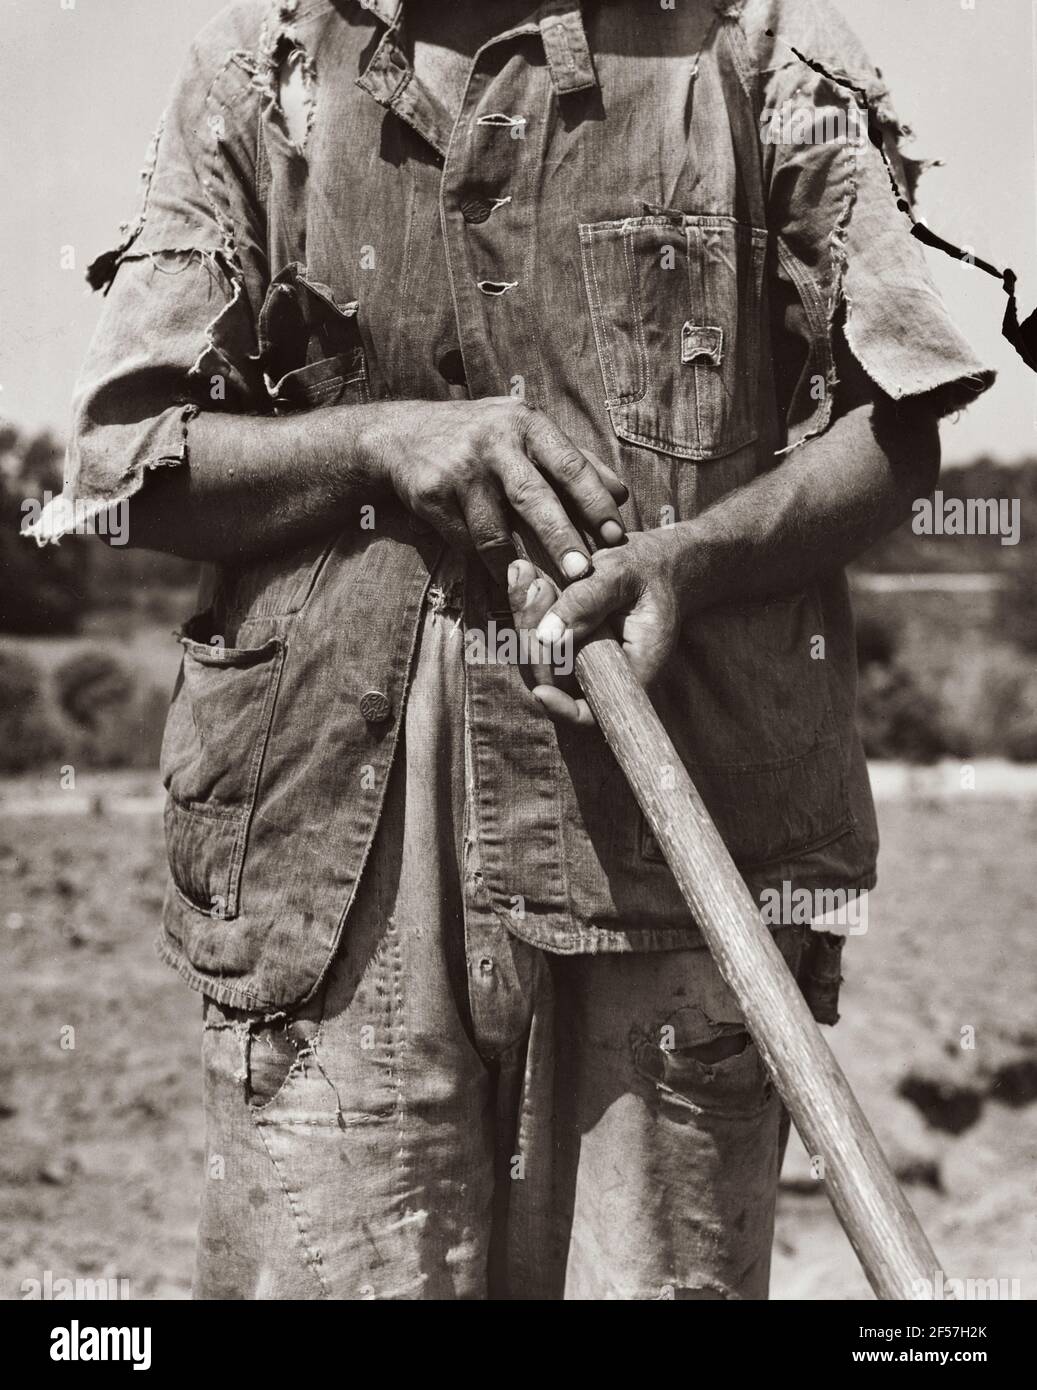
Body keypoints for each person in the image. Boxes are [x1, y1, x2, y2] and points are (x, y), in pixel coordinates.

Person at [32, 0, 992, 1299]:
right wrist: (380, 441)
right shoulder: (266, 70)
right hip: (331, 863)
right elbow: (123, 469)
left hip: (678, 850)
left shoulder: (752, 52)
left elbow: (898, 426)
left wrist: (687, 562)